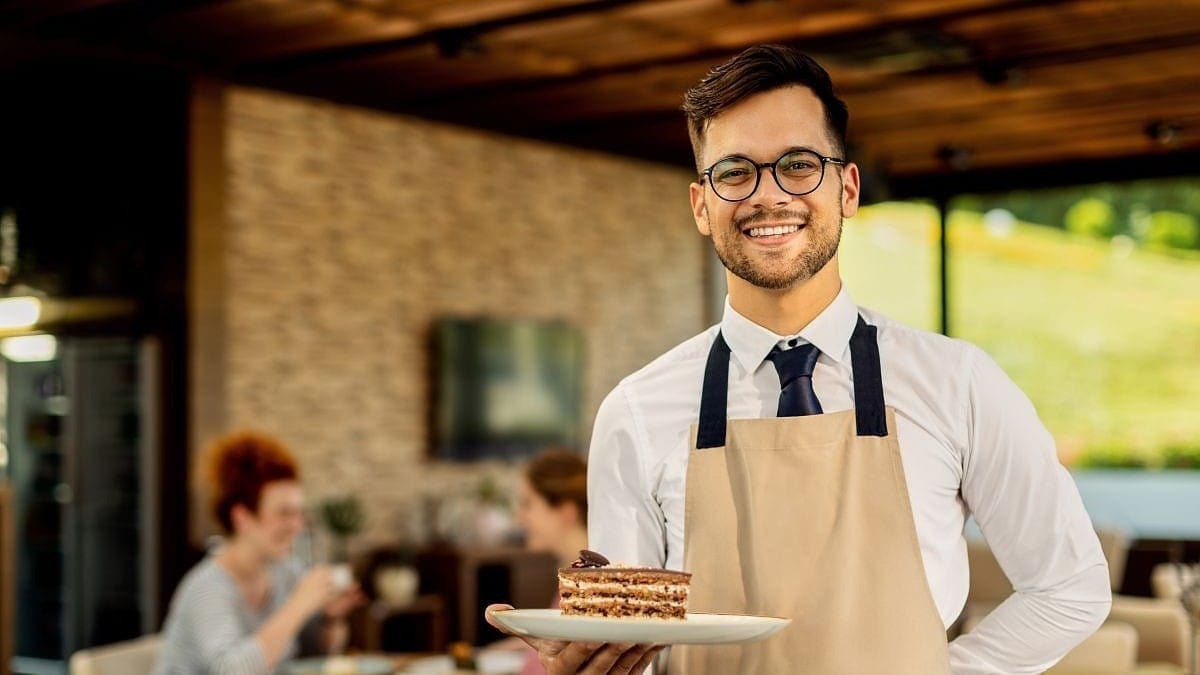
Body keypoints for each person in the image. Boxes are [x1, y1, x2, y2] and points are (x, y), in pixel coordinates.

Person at [489, 44, 1111, 674]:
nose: (768, 195)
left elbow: (1069, 587)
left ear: (847, 188)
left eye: (798, 164)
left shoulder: (958, 384)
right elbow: (629, 643)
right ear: (702, 206)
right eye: (734, 172)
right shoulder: (637, 411)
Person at [154, 431, 364, 674]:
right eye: (284, 513)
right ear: (242, 517)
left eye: (299, 513)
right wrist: (299, 605)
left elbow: (314, 656)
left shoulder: (287, 573)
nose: (297, 526)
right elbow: (231, 671)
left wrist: (330, 617)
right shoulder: (207, 589)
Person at [505, 448, 591, 675]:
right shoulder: (570, 575)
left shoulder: (586, 588)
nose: (520, 516)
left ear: (566, 512)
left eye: (528, 504)